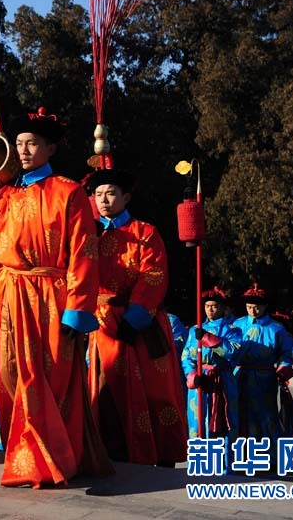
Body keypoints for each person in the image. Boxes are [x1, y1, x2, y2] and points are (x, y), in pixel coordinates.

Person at [0, 107, 110, 488]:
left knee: (51, 377)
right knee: (9, 374)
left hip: (51, 295)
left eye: (32, 144)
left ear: (50, 148)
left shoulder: (68, 192)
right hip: (8, 293)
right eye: (19, 143)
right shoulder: (0, 196)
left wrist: (78, 309)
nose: (23, 150)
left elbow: (84, 251)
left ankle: (54, 457)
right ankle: (23, 454)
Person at [83, 167, 187, 467]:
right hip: (102, 322)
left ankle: (160, 453)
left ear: (126, 197)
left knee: (155, 390)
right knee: (106, 385)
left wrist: (136, 316)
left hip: (142, 321)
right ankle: (112, 451)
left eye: (111, 193)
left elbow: (153, 274)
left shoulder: (145, 232)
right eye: (98, 194)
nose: (104, 200)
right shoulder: (88, 234)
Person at [181, 286, 242, 473]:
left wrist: (209, 339)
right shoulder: (194, 330)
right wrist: (192, 375)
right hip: (200, 383)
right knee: (198, 423)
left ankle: (224, 466)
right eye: (207, 306)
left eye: (214, 306)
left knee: (222, 423)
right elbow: (185, 357)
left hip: (221, 381)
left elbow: (233, 352)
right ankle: (199, 463)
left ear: (223, 308)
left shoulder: (233, 329)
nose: (210, 309)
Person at [233, 283, 293, 441]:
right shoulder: (236, 325)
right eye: (249, 307)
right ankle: (241, 455)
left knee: (267, 415)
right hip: (239, 375)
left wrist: (284, 366)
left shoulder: (276, 328)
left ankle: (270, 456)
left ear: (265, 306)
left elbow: (286, 352)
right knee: (239, 414)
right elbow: (227, 349)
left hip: (265, 377)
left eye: (257, 307)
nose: (253, 311)